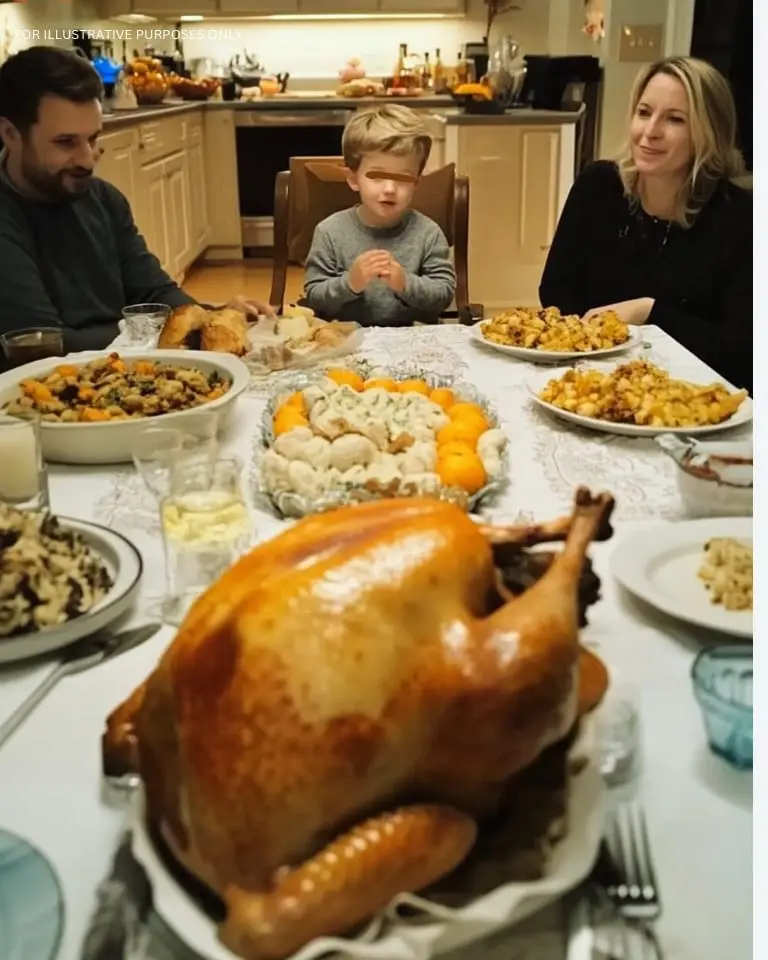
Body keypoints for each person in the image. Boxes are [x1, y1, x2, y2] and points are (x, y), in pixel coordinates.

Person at [0, 46, 270, 356]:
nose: (87, 160)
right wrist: (156, 330)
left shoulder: (104, 200)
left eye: (93, 139)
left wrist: (210, 318)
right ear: (10, 134)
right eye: (66, 142)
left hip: (125, 364)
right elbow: (39, 345)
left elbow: (154, 291)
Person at [539, 56, 752, 393]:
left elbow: (741, 353)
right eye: (644, 112)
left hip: (692, 396)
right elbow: (555, 290)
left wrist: (648, 311)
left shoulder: (740, 216)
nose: (650, 132)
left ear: (710, 132)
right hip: (592, 381)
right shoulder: (598, 185)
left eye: (675, 119)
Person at [303, 104, 456, 326]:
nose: (390, 189)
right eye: (377, 176)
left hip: (415, 340)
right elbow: (314, 295)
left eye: (403, 177)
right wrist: (350, 283)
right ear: (353, 179)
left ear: (416, 182)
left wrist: (405, 283)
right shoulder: (329, 232)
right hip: (347, 340)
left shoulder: (428, 234)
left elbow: (444, 295)